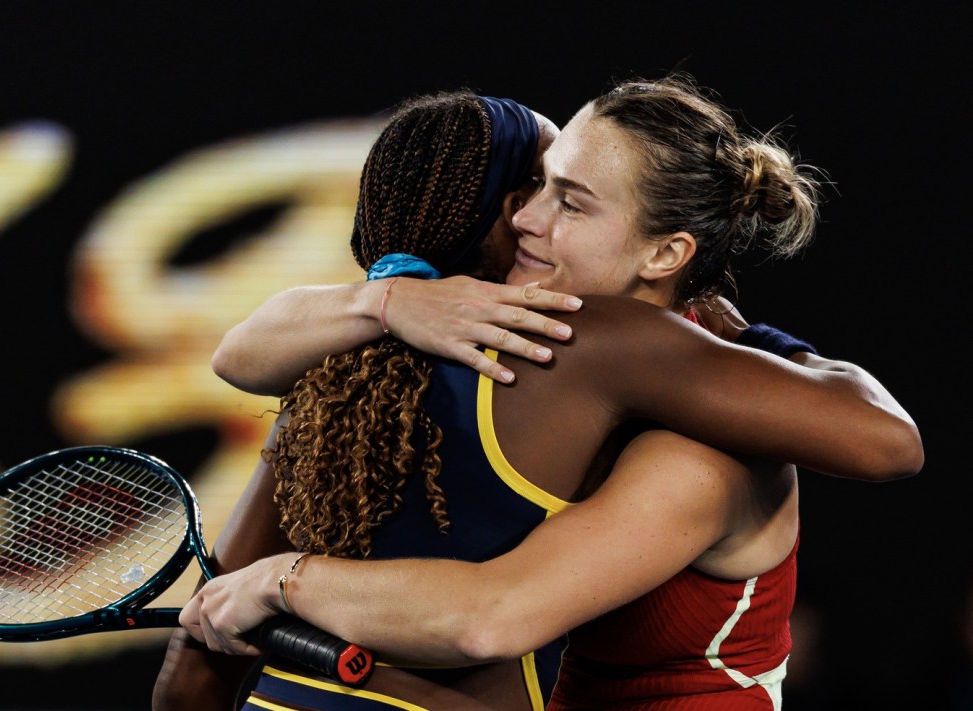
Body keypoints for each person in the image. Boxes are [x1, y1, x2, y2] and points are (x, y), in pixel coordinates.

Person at [169, 76, 922, 710]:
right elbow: (239, 352)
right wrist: (386, 302)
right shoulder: (470, 337)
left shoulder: (693, 432)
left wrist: (282, 581)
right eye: (538, 183)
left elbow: (489, 618)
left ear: (665, 252)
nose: (526, 216)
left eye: (570, 199)